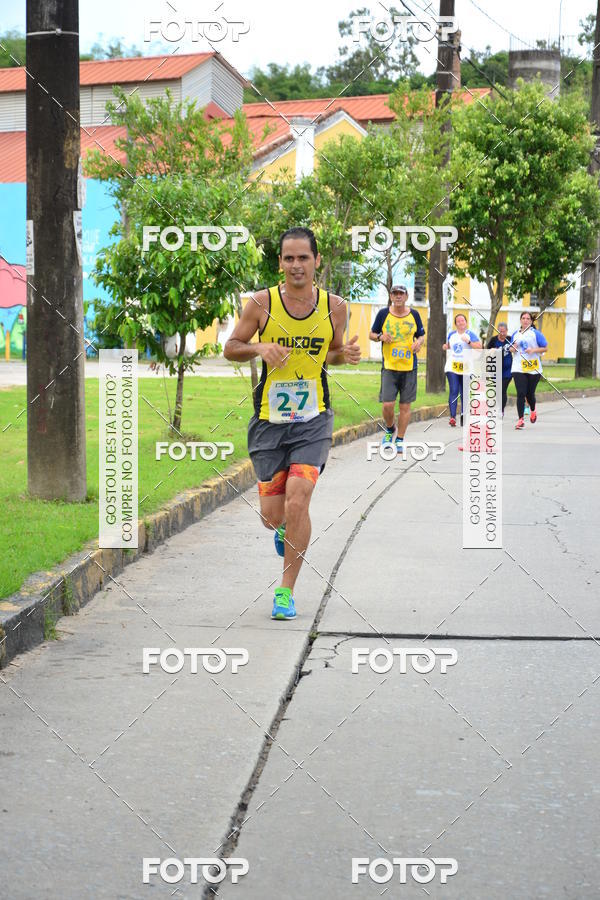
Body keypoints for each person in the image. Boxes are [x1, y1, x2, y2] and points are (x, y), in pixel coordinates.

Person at [224, 227, 361, 620]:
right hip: (269, 420)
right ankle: (285, 528)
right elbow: (230, 348)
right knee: (273, 515)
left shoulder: (335, 306)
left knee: (299, 497)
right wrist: (258, 347)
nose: (296, 265)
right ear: (280, 262)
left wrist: (344, 355)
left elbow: (331, 354)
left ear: (317, 261)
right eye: (289, 258)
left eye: (304, 257)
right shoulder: (261, 304)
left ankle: (285, 592)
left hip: (313, 418)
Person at [369, 284, 425, 451]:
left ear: (406, 296)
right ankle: (390, 428)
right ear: (391, 297)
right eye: (395, 294)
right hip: (389, 366)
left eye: (401, 294)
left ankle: (399, 439)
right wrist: (380, 336)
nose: (398, 296)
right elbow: (371, 334)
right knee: (387, 405)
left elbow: (421, 335)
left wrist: (418, 343)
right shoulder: (383, 314)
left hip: (409, 367)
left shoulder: (414, 314)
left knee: (405, 406)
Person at [509, 310, 548, 429]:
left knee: (530, 394)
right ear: (520, 320)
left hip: (533, 368)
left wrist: (533, 351)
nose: (525, 320)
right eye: (523, 318)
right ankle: (520, 419)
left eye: (528, 319)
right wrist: (513, 348)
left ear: (531, 321)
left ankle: (533, 410)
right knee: (521, 393)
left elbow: (545, 348)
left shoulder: (535, 334)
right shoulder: (515, 334)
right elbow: (511, 349)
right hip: (518, 367)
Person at [443, 313, 482, 426]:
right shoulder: (451, 334)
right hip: (452, 366)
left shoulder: (470, 334)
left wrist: (469, 342)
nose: (460, 323)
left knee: (464, 392)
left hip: (466, 368)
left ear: (466, 322)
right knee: (454, 390)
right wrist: (445, 347)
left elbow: (480, 348)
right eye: (458, 321)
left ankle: (464, 415)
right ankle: (452, 417)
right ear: (455, 324)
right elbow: (449, 346)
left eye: (462, 321)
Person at [487, 322, 513, 414]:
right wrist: (492, 351)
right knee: (497, 390)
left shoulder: (510, 339)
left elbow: (516, 348)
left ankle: (501, 410)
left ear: (507, 331)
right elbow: (487, 351)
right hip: (496, 369)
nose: (502, 333)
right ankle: (499, 407)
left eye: (504, 331)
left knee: (502, 389)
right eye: (500, 331)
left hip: (508, 370)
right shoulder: (493, 340)